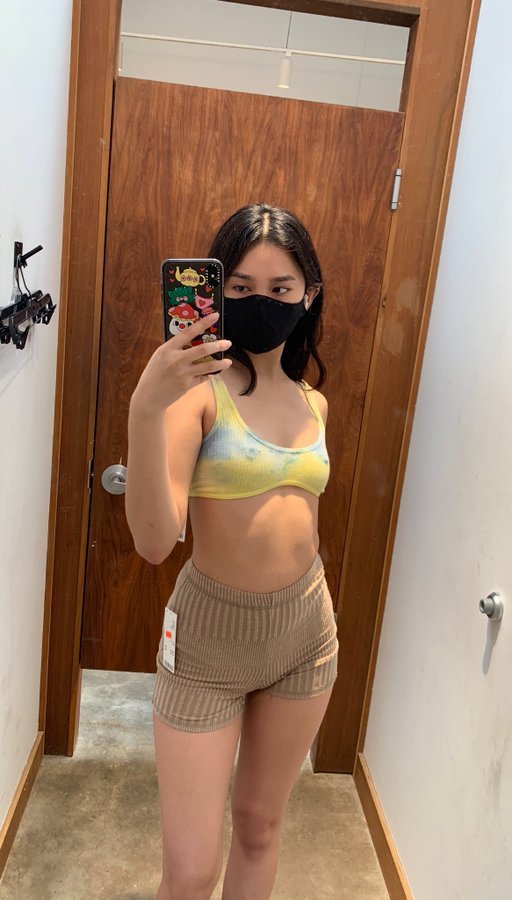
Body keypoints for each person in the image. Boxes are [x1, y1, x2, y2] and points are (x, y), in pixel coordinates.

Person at [125, 203, 339, 900]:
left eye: (280, 289)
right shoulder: (198, 396)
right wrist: (146, 408)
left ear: (308, 296)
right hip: (208, 646)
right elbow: (154, 543)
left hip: (304, 636)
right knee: (190, 873)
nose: (260, 303)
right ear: (217, 291)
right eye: (241, 287)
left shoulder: (314, 403)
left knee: (260, 828)